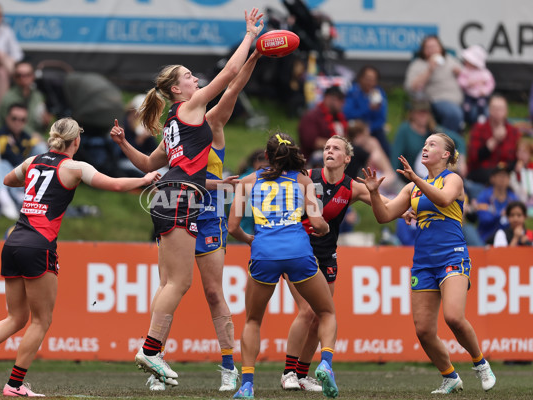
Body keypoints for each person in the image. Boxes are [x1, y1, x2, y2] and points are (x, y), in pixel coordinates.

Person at [109, 8, 264, 386]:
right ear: (177, 89)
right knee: (178, 284)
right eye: (189, 76)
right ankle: (151, 352)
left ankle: (208, 365)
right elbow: (228, 76)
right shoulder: (191, 109)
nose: (196, 79)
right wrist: (249, 37)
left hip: (176, 198)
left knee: (181, 286)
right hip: (184, 199)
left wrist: (123, 143)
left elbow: (149, 162)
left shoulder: (178, 125)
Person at [0, 117, 159, 396]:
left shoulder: (33, 160)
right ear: (76, 141)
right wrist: (145, 178)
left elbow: (7, 179)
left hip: (13, 241)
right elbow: (114, 185)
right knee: (41, 321)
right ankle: (14, 384)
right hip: (39, 245)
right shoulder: (74, 167)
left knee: (15, 317)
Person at [144, 50, 264, 392]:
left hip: (208, 215)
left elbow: (233, 85)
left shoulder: (211, 121)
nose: (196, 82)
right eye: (189, 77)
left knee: (213, 292)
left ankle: (229, 367)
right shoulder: (180, 127)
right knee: (168, 287)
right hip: (178, 204)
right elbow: (152, 164)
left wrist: (254, 56)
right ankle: (156, 364)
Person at [359, 132, 496, 394]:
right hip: (423, 262)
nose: (425, 147)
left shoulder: (452, 179)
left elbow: (443, 199)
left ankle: (480, 363)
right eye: (424, 144)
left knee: (454, 317)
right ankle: (450, 376)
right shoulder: (411, 186)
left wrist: (416, 179)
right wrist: (375, 194)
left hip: (452, 255)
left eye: (432, 144)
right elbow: (384, 215)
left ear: (446, 155)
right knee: (423, 329)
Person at [228, 132, 339, 399]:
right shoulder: (303, 181)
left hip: (264, 252)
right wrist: (323, 230)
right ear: (293, 156)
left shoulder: (248, 181)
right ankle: (326, 363)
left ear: (266, 156)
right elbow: (318, 222)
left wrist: (249, 239)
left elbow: (232, 227)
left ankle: (247, 385)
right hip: (299, 252)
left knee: (253, 320)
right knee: (326, 313)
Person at [281, 135, 389, 392]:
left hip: (327, 255)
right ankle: (288, 373)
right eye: (327, 147)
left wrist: (405, 210)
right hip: (298, 251)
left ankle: (303, 375)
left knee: (320, 317)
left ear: (347, 158)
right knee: (307, 310)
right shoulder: (307, 177)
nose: (329, 151)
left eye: (336, 148)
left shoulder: (351, 187)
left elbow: (385, 203)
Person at [392, 100, 466, 182]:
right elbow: (395, 156)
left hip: (432, 177)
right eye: (419, 112)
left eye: (426, 112)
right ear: (412, 113)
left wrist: (461, 161)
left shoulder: (434, 129)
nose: (423, 115)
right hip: (409, 178)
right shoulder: (405, 129)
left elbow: (459, 140)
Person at [404, 35, 464, 134]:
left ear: (441, 48)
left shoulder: (451, 60)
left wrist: (460, 73)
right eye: (428, 48)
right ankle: (446, 144)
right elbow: (410, 87)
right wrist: (429, 69)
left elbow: (468, 77)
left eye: (435, 47)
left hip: (462, 100)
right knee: (453, 114)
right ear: (423, 51)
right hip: (437, 101)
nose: (432, 50)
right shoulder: (418, 64)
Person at [467, 94, 521, 186]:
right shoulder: (478, 128)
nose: (497, 112)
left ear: (506, 111)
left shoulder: (514, 132)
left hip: (506, 173)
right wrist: (494, 140)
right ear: (489, 110)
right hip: (483, 173)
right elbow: (473, 158)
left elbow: (517, 158)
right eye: (494, 108)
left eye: (500, 109)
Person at [343, 65, 390, 156]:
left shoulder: (378, 93)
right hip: (355, 130)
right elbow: (347, 113)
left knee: (385, 149)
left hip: (374, 130)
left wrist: (369, 129)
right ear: (360, 79)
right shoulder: (352, 92)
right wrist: (368, 109)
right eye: (368, 79)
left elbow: (382, 118)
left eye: (373, 80)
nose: (370, 83)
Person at [0, 61, 52, 136]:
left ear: (33, 76)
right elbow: (13, 125)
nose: (23, 78)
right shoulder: (8, 98)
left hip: (37, 138)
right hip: (13, 139)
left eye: (27, 75)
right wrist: (34, 136)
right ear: (14, 77)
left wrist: (46, 123)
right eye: (19, 75)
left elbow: (41, 126)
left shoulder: (38, 96)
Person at [298, 85, 347, 167]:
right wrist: (340, 145)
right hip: (311, 161)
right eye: (339, 99)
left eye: (343, 99)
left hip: (338, 158)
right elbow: (312, 142)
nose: (342, 103)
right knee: (321, 156)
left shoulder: (339, 119)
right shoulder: (312, 116)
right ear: (328, 98)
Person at [476, 163, 518, 244]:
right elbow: (484, 219)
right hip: (485, 238)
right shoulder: (484, 196)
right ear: (492, 178)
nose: (503, 179)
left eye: (505, 176)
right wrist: (500, 214)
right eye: (500, 176)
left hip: (508, 239)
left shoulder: (513, 198)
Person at [0, 103, 47, 167]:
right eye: (14, 118)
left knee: (40, 147)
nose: (18, 122)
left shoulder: (25, 136)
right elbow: (15, 161)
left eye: (22, 120)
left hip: (22, 168)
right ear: (7, 118)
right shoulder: (0, 136)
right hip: (6, 171)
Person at [457, 45, 495, 125]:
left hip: (481, 95)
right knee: (466, 107)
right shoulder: (465, 71)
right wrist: (468, 84)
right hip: (469, 95)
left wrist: (485, 91)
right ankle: (464, 121)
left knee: (481, 104)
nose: (466, 62)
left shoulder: (485, 73)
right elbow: (460, 81)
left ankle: (481, 119)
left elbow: (491, 83)